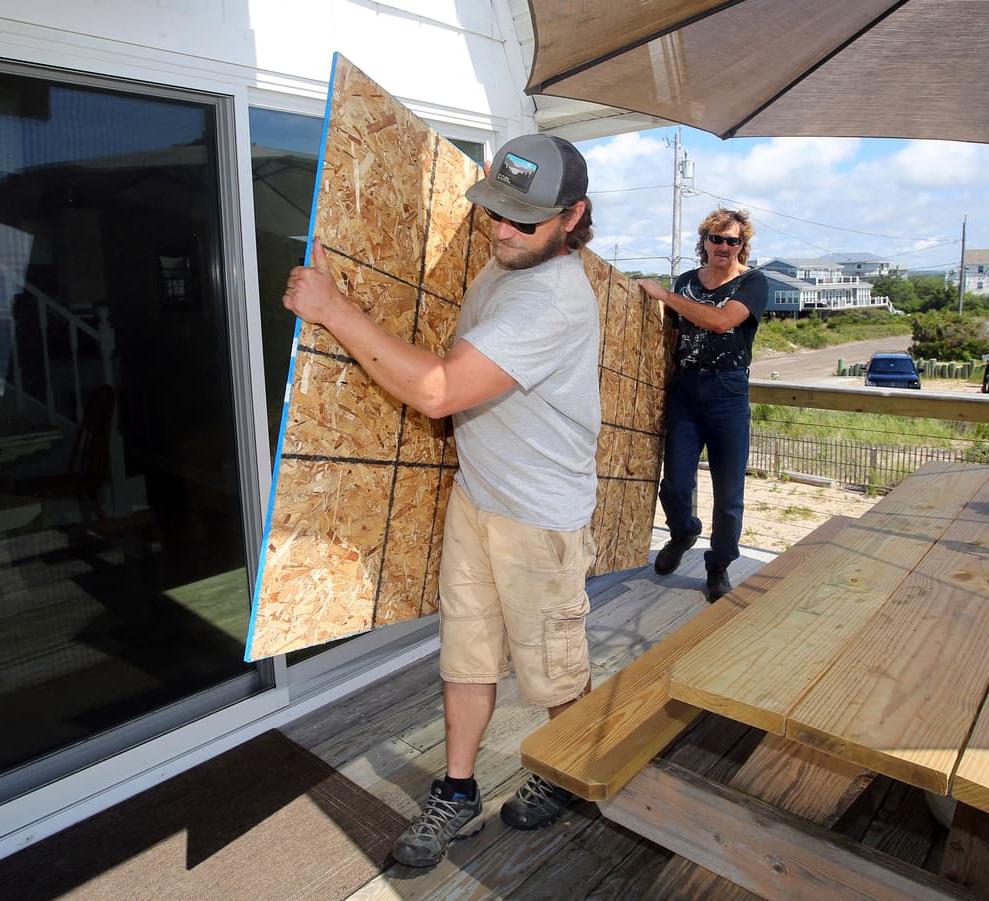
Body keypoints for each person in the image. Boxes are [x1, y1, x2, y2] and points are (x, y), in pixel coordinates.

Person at [283, 134, 601, 869]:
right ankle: (457, 793)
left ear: (573, 216)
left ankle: (570, 772)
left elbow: (437, 391)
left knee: (554, 670)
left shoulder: (554, 299)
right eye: (496, 210)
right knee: (467, 652)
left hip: (541, 520)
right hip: (479, 496)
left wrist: (333, 309)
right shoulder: (507, 263)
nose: (503, 231)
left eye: (524, 219)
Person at [637, 209, 768, 603]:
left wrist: (666, 296)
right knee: (675, 483)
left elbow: (722, 322)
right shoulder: (688, 282)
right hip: (686, 387)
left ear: (742, 245)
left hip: (728, 391)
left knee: (729, 492)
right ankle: (683, 533)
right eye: (717, 238)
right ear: (705, 241)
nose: (724, 246)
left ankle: (718, 565)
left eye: (733, 240)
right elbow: (673, 335)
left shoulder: (752, 282)